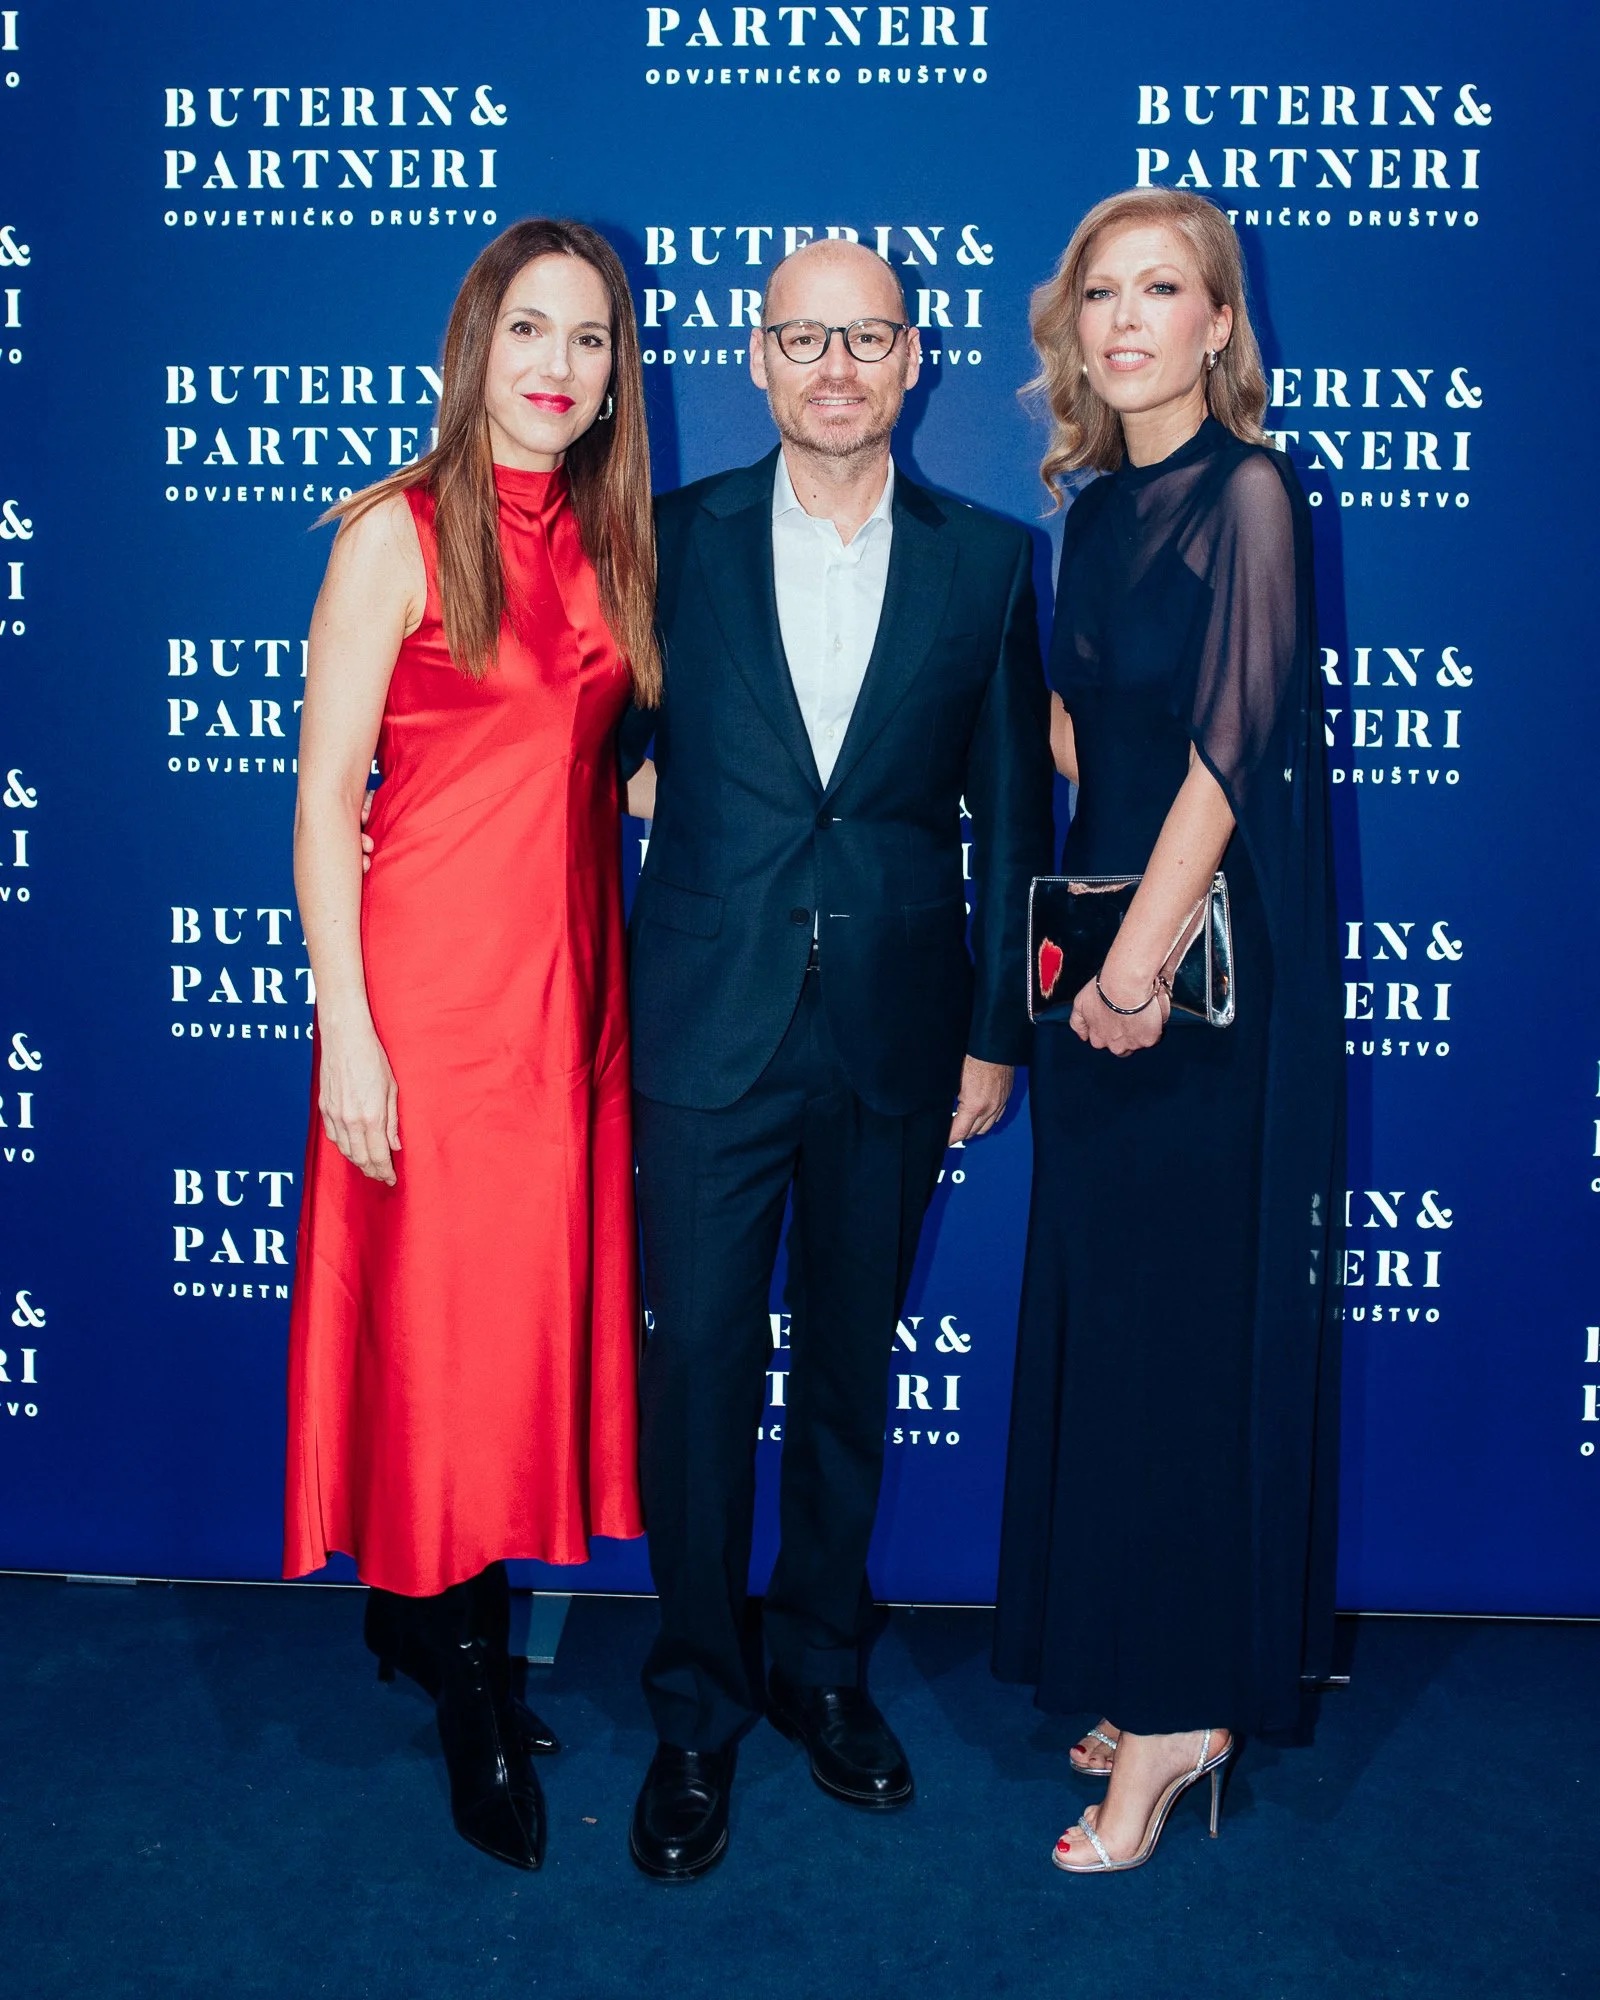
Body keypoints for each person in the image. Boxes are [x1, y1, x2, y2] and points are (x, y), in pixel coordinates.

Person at [620, 238, 1056, 1881]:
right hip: (704, 1026)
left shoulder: (987, 561)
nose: (834, 365)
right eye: (803, 335)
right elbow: (587, 754)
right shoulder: (665, 545)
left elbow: (1018, 809)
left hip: (893, 1031)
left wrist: (998, 1029)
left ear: (912, 357)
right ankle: (695, 1708)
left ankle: (820, 1668)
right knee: (700, 1380)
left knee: (851, 1380)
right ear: (756, 355)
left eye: (865, 336)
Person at [283, 218, 658, 1872]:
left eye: (588, 338)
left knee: (512, 1338)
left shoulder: (607, 539)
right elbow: (321, 800)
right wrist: (345, 1029)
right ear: (477, 345)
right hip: (428, 997)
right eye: (530, 330)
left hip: (567, 1000)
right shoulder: (392, 532)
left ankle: (425, 1624)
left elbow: (614, 769)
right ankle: (467, 1693)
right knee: (442, 1344)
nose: (558, 365)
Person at [992, 188, 1343, 1874]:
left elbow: (1226, 757)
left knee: (1188, 1343)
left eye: (1163, 290)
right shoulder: (1096, 507)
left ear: (1220, 322)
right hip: (1099, 976)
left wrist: (1133, 969)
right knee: (1122, 1331)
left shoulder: (1250, 494)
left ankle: (1189, 1713)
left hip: (1189, 992)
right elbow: (1094, 747)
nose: (1126, 319)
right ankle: (1143, 1670)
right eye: (1100, 294)